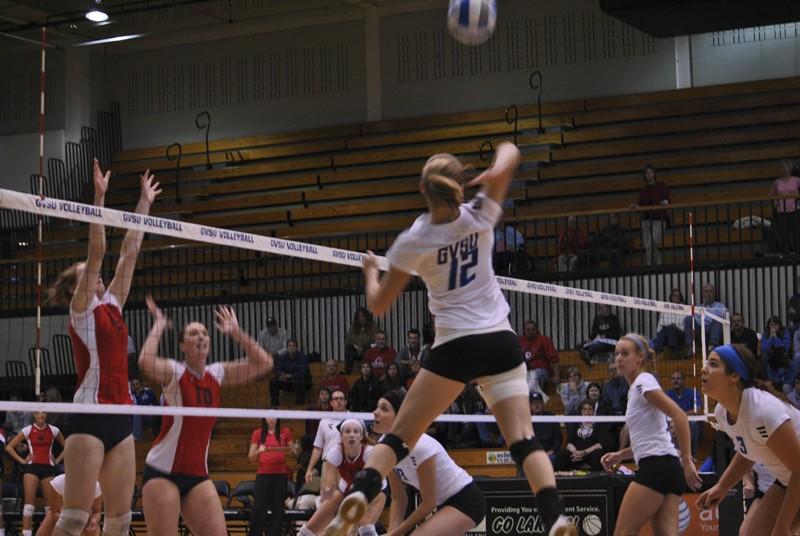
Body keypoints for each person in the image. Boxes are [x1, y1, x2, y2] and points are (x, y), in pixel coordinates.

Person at [324, 143, 576, 536]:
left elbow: (378, 305)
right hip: (499, 341)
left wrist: (371, 270)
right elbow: (512, 150)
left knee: (401, 436)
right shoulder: (480, 212)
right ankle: (555, 516)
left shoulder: (415, 239)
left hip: (454, 345)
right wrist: (497, 168)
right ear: (459, 183)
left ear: (422, 189)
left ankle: (360, 493)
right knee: (524, 440)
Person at [47, 160, 160, 536]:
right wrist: (98, 198)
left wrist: (144, 204)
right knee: (75, 518)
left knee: (120, 520)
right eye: (85, 274)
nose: (93, 275)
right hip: (88, 417)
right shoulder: (79, 311)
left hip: (121, 417)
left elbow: (129, 253)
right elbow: (97, 254)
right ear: (74, 288)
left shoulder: (112, 304)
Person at [138, 296, 273, 536]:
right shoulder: (175, 373)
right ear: (182, 346)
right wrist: (159, 323)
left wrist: (236, 332)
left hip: (197, 476)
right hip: (162, 472)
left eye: (204, 332)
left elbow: (264, 363)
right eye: (193, 333)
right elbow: (145, 362)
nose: (200, 336)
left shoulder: (216, 374)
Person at [600, 334, 701, 535]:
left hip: (657, 467)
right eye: (617, 354)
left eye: (625, 353)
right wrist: (620, 455)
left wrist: (688, 461)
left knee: (622, 533)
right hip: (668, 467)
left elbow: (679, 416)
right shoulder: (636, 388)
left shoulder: (642, 381)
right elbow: (650, 438)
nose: (619, 358)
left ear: (640, 358)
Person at [697, 344, 800, 535]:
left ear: (734, 376)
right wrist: (721, 487)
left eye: (712, 364)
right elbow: (748, 451)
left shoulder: (763, 411)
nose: (703, 369)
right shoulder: (722, 413)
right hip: (789, 480)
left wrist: (783, 526)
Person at [375, 389, 486, 536]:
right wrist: (392, 531)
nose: (375, 412)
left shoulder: (420, 446)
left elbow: (429, 503)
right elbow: (398, 497)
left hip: (466, 501)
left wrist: (395, 534)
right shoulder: (385, 445)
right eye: (377, 407)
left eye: (384, 408)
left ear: (400, 417)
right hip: (444, 504)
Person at [297, 420, 385, 536]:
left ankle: (343, 524)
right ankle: (337, 524)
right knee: (309, 529)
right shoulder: (335, 452)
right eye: (347, 431)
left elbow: (369, 485)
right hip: (346, 490)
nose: (352, 435)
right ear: (341, 436)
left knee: (365, 527)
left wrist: (346, 515)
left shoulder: (370, 452)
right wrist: (326, 501)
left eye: (356, 431)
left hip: (375, 491)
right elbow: (330, 486)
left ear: (362, 436)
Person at [5, 412, 65, 536]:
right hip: (31, 468)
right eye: (38, 413)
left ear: (47, 414)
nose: (41, 415)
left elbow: (68, 446)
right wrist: (23, 461)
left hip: (48, 469)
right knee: (29, 507)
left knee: (50, 509)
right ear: (34, 414)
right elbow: (9, 447)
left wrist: (57, 460)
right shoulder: (28, 430)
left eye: (43, 413)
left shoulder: (54, 430)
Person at [249, 417, 298, 536]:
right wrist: (258, 451)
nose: (271, 419)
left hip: (280, 476)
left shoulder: (285, 432)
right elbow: (251, 458)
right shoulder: (257, 433)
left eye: (273, 416)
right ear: (264, 418)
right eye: (268, 416)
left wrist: (294, 449)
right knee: (259, 508)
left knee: (278, 510)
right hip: (263, 476)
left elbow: (294, 453)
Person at [305, 390, 348, 492]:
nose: (339, 401)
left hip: (348, 464)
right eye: (335, 399)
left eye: (341, 398)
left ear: (346, 402)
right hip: (329, 465)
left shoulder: (355, 419)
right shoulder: (324, 422)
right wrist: (309, 469)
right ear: (331, 403)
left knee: (348, 500)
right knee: (327, 501)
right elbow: (318, 448)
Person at [630, 164, 671, 266]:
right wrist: (636, 206)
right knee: (649, 245)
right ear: (644, 175)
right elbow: (640, 204)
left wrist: (665, 202)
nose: (649, 175)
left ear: (654, 174)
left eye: (651, 172)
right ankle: (655, 263)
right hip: (647, 220)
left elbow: (667, 199)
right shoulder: (643, 190)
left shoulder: (662, 186)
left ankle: (651, 264)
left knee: (650, 244)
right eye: (647, 173)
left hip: (659, 219)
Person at [36, 474, 102, 536]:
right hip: (61, 515)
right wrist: (68, 525)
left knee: (94, 530)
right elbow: (55, 512)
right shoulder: (58, 482)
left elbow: (96, 512)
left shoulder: (95, 486)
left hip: (85, 516)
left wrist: (94, 520)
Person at [554, 400, 607, 472]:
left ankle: (596, 479)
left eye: (590, 409)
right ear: (581, 412)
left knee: (598, 454)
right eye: (584, 409)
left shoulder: (599, 424)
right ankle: (564, 478)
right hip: (575, 453)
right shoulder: (575, 423)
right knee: (561, 453)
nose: (587, 411)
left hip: (590, 452)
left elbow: (600, 444)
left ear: (594, 412)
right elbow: (569, 442)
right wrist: (575, 452)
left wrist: (584, 452)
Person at [665, 371, 703, 457]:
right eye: (673, 379)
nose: (675, 381)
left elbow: (697, 410)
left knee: (693, 424)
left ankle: (692, 454)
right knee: (667, 424)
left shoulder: (692, 392)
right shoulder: (668, 394)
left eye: (678, 378)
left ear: (684, 381)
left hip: (689, 421)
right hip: (673, 421)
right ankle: (670, 453)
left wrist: (680, 415)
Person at [768, 159, 800, 255]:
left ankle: (798, 253)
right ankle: (785, 254)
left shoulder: (797, 180)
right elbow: (770, 194)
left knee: (796, 233)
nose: (784, 168)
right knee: (783, 234)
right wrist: (775, 201)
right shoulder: (777, 182)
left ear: (790, 168)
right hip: (781, 211)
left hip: (795, 209)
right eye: (782, 166)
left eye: (786, 166)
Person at [519, 320, 559, 392]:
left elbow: (554, 359)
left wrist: (556, 376)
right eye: (527, 330)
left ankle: (535, 398)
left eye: (533, 329)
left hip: (541, 371)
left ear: (537, 330)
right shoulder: (519, 341)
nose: (530, 331)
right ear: (524, 331)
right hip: (524, 371)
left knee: (535, 375)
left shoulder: (544, 340)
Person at [685, 283, 727, 351]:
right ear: (703, 294)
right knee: (688, 319)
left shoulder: (720, 306)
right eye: (706, 291)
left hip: (713, 331)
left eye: (711, 291)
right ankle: (690, 347)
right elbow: (694, 321)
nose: (708, 293)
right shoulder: (698, 307)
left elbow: (724, 320)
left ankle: (712, 346)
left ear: (714, 293)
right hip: (700, 331)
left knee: (718, 320)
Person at [269, 338, 312, 406]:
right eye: (289, 346)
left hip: (304, 381)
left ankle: (299, 406)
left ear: (297, 347)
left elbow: (303, 372)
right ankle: (275, 406)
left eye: (294, 346)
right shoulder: (283, 357)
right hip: (288, 381)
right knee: (273, 381)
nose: (291, 348)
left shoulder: (303, 357)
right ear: (287, 348)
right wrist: (281, 374)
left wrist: (291, 376)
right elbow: (278, 369)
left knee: (298, 379)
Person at [762, 316, 797, 394]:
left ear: (780, 325)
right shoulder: (766, 334)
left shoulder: (785, 332)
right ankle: (767, 380)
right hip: (771, 357)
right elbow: (764, 349)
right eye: (771, 324)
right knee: (764, 356)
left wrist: (775, 337)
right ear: (768, 326)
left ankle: (783, 380)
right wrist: (771, 337)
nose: (773, 327)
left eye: (776, 324)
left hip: (782, 355)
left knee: (783, 355)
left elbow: (785, 348)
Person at [652, 289, 690, 359]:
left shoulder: (685, 309)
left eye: (678, 296)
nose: (677, 297)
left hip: (680, 335)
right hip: (666, 335)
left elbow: (686, 327)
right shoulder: (666, 308)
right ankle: (658, 350)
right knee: (664, 329)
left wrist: (675, 326)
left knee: (671, 328)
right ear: (671, 297)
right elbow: (660, 326)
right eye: (675, 295)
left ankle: (672, 350)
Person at [530, 393, 562, 465]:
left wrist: (552, 450)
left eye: (538, 402)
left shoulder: (551, 417)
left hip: (549, 452)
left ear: (543, 404)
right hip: (532, 452)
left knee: (552, 458)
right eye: (533, 403)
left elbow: (558, 438)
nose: (536, 405)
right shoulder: (527, 419)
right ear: (530, 406)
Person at [344, 308, 377, 374]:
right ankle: (348, 370)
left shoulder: (373, 326)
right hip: (356, 351)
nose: (361, 318)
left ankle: (366, 370)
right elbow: (348, 340)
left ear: (366, 317)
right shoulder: (353, 327)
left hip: (368, 349)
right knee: (348, 348)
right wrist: (356, 346)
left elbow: (376, 340)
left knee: (367, 348)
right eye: (359, 317)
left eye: (362, 316)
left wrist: (367, 346)